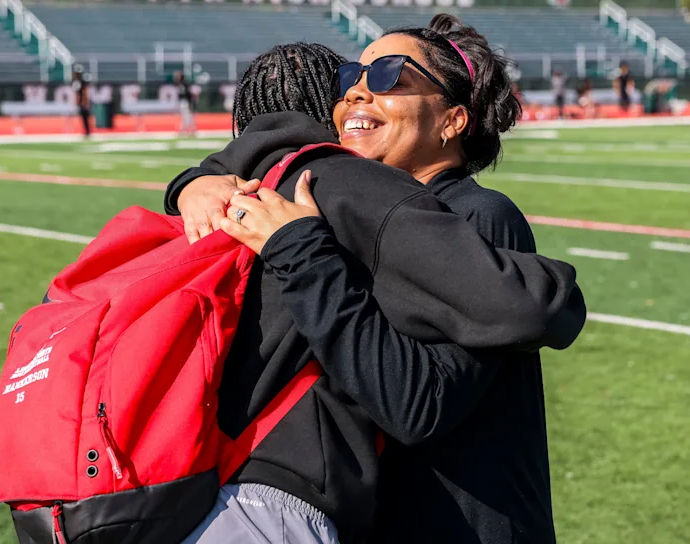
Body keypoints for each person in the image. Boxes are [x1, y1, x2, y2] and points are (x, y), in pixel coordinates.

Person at [169, 33, 584, 543]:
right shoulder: (345, 217)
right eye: (349, 78)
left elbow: (417, 405)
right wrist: (198, 180)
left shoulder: (478, 214)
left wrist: (300, 251)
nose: (357, 94)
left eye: (389, 75)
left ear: (453, 121)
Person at [70, 69, 91, 137]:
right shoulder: (77, 82)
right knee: (84, 118)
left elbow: (84, 92)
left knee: (85, 118)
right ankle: (86, 131)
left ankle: (87, 131)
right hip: (81, 102)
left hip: (83, 103)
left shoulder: (81, 82)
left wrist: (84, 102)